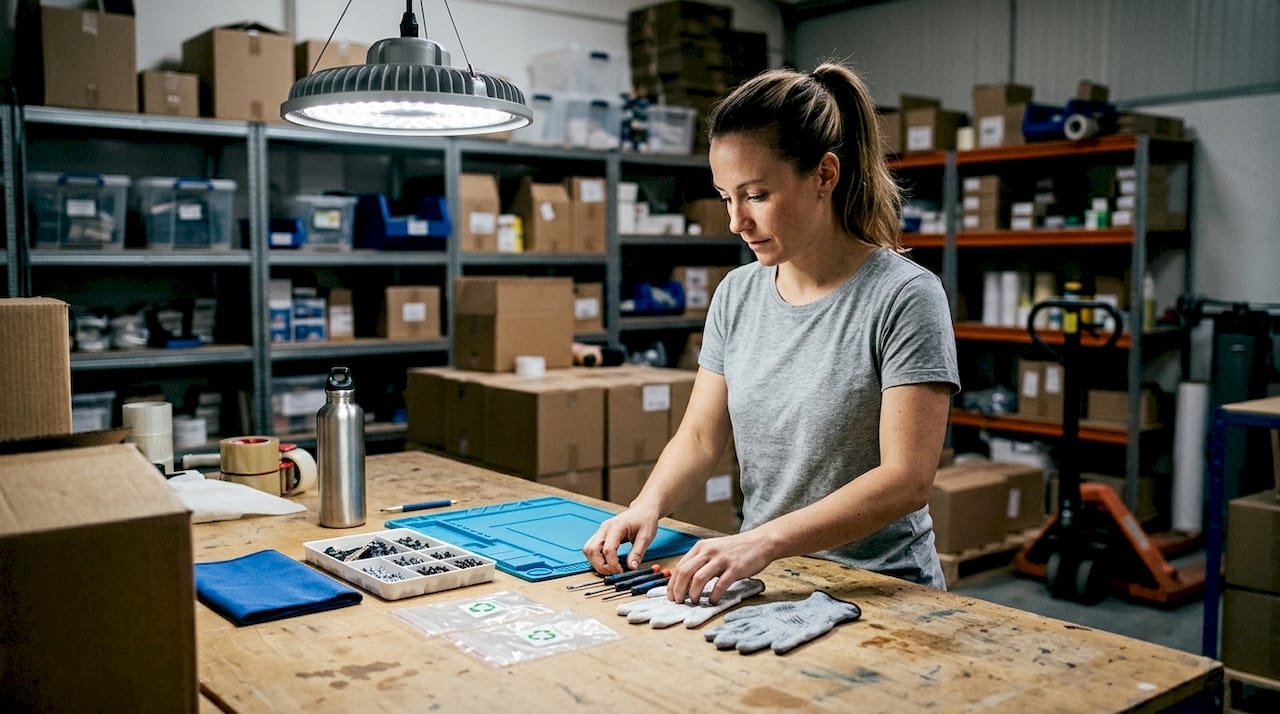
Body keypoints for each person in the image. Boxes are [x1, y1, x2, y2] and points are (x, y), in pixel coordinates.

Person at [582, 62, 960, 604]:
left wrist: (763, 540)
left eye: (756, 195)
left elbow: (907, 478)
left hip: (880, 589)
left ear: (824, 175)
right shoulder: (737, 294)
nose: (737, 221)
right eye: (725, 197)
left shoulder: (903, 296)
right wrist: (647, 505)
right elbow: (699, 438)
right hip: (769, 579)